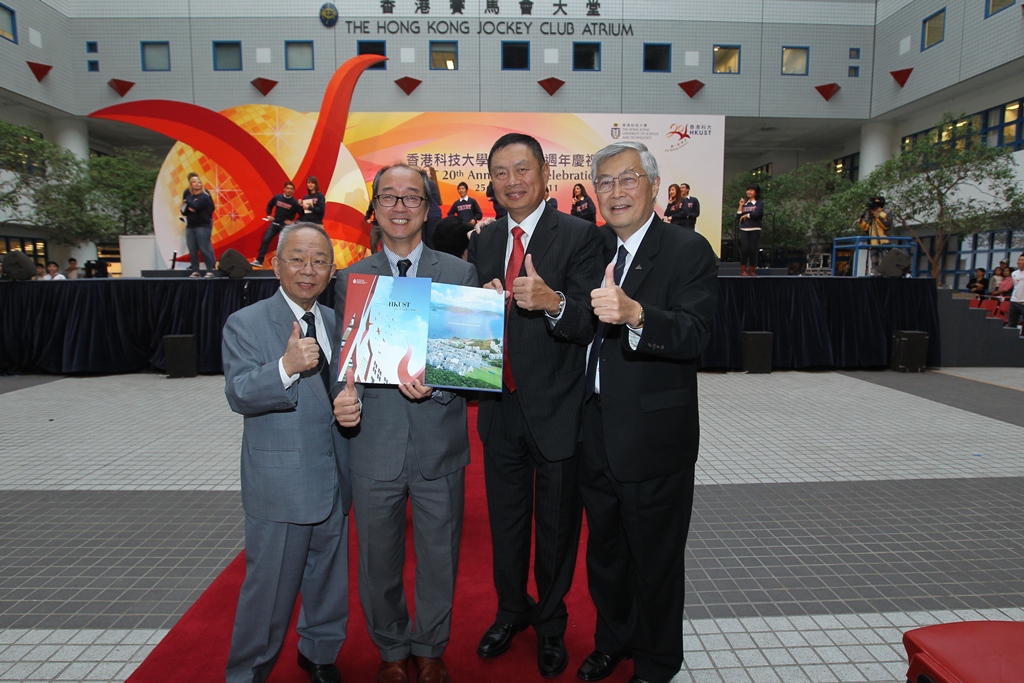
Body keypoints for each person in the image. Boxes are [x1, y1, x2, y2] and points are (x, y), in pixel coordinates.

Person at [578, 141, 718, 683]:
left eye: (628, 178)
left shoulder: (687, 250)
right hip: (595, 429)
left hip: (654, 438)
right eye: (605, 182)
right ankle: (613, 641)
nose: (616, 192)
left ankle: (657, 662)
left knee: (655, 561)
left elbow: (696, 333)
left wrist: (637, 314)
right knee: (606, 553)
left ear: (654, 186)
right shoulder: (595, 249)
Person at [332, 164, 477, 683]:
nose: (400, 207)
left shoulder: (459, 274)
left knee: (440, 556)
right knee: (377, 559)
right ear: (374, 208)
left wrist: (440, 385)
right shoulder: (350, 279)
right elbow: (343, 363)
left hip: (440, 441)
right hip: (374, 442)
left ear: (428, 208)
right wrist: (342, 398)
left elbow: (470, 360)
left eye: (411, 197)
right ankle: (392, 649)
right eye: (389, 197)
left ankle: (430, 647)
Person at [467, 133, 604, 678]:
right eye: (500, 172)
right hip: (499, 408)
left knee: (556, 529)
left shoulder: (580, 235)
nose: (512, 181)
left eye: (522, 169)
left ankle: (549, 623)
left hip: (556, 409)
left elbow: (588, 320)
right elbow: (471, 322)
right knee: (504, 525)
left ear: (545, 174)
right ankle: (510, 611)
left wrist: (553, 302)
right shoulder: (484, 239)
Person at [222, 222, 350, 683]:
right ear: (276, 266)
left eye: (319, 261)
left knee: (328, 579)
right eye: (297, 259)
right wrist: (285, 367)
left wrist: (352, 406)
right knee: (269, 590)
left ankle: (319, 652)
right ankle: (248, 671)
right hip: (281, 483)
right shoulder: (247, 322)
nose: (308, 270)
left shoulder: (337, 321)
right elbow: (239, 393)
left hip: (335, 475)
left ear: (332, 271)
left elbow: (343, 389)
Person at [253, 181, 303, 266]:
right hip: (275, 223)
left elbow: (302, 215)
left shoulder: (295, 203)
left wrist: (293, 222)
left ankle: (282, 264)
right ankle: (259, 261)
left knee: (283, 245)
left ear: (293, 191)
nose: (289, 190)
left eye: (291, 189)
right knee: (266, 240)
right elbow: (270, 205)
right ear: (284, 189)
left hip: (285, 226)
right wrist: (269, 215)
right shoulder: (277, 197)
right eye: (287, 188)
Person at [181, 172, 217, 277]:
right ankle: (195, 270)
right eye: (194, 182)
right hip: (190, 226)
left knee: (204, 249)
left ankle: (210, 270)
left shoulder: (204, 196)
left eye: (199, 182)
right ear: (190, 184)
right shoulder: (188, 195)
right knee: (192, 249)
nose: (197, 184)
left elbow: (196, 206)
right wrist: (189, 206)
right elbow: (184, 211)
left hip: (202, 225)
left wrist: (189, 202)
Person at [857, 195, 891, 275]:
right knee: (874, 263)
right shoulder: (870, 215)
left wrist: (877, 216)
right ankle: (875, 275)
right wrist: (861, 222)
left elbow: (886, 226)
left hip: (884, 242)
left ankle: (887, 275)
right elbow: (866, 228)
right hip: (873, 243)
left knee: (886, 261)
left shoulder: (885, 213)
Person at [736, 184, 763, 276]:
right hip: (744, 229)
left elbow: (757, 214)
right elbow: (738, 217)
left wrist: (747, 215)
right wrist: (741, 205)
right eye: (748, 190)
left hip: (755, 229)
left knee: (752, 250)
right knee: (745, 249)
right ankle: (743, 270)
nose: (749, 192)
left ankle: (752, 270)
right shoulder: (745, 203)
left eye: (751, 190)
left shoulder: (759, 203)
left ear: (756, 192)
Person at [423, 166, 443, 248]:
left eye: (426, 171)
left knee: (430, 241)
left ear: (431, 174)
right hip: (429, 214)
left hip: (432, 215)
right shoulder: (431, 184)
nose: (423, 173)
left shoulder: (429, 183)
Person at [1006, 254, 1024, 330]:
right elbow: (1016, 286)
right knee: (1011, 324)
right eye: (1019, 260)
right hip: (1014, 301)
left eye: (1022, 260)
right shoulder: (1014, 273)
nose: (1019, 262)